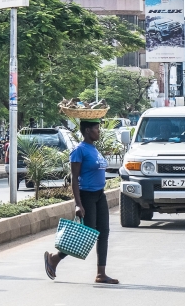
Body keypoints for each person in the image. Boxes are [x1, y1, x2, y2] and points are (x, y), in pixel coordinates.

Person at [44, 120, 117, 284]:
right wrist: (78, 203)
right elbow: (74, 179)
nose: (99, 131)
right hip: (87, 195)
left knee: (103, 232)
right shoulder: (79, 150)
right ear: (88, 130)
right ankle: (55, 258)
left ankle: (101, 273)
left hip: (100, 195)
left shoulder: (94, 148)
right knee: (88, 233)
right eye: (97, 129)